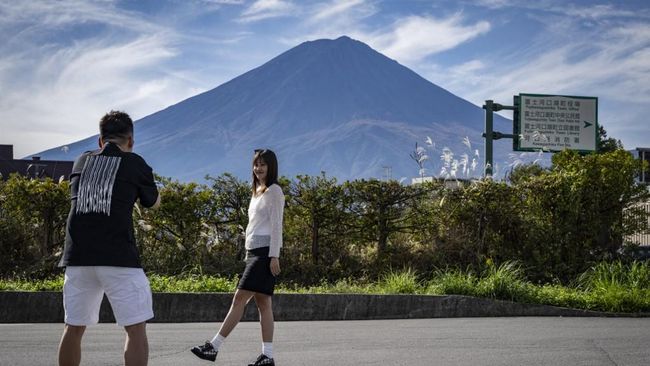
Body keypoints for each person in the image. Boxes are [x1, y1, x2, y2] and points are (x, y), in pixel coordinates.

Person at [57, 110, 161, 366]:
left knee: (73, 327)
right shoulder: (134, 162)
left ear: (100, 141)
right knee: (135, 329)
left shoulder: (80, 161)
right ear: (131, 141)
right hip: (118, 258)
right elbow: (153, 203)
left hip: (78, 257)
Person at [191, 149, 284, 366]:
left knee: (239, 298)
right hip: (253, 253)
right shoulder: (257, 191)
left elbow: (277, 225)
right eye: (255, 164)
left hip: (265, 254)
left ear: (271, 167)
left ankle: (213, 347)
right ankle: (267, 356)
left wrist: (274, 256)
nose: (258, 168)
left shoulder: (274, 191)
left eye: (263, 164)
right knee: (263, 304)